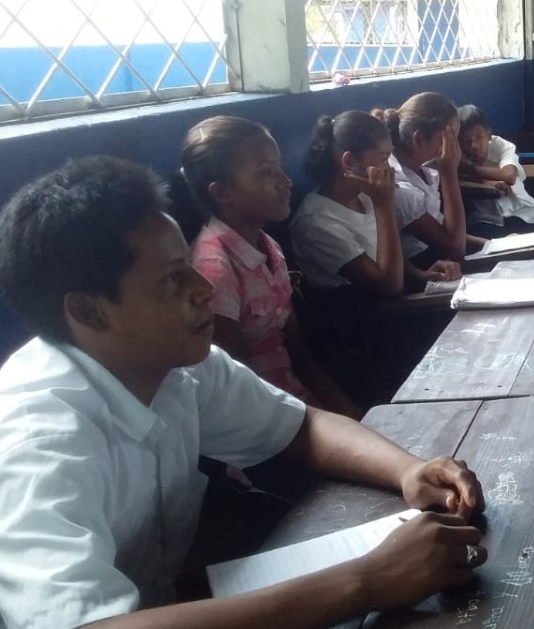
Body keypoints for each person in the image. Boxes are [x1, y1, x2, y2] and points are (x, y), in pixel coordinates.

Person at [0, 155, 485, 629]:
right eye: (173, 281)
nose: (203, 290)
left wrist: (405, 469)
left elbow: (303, 425)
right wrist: (367, 581)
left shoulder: (173, 364)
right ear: (89, 311)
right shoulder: (36, 441)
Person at [181, 115, 360, 418]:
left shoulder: (266, 246)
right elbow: (233, 387)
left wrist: (352, 417)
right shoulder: (214, 270)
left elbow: (299, 355)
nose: (286, 182)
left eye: (280, 168)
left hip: (299, 406)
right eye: (267, 173)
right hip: (266, 428)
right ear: (222, 193)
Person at [290, 111, 459, 403]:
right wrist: (384, 206)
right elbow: (387, 285)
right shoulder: (316, 221)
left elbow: (383, 256)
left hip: (395, 311)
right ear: (349, 162)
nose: (389, 169)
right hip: (368, 332)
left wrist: (421, 274)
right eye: (382, 160)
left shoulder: (365, 198)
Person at [372, 93, 486, 275]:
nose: (454, 148)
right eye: (448, 139)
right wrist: (449, 173)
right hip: (421, 269)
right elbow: (455, 248)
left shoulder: (425, 170)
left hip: (439, 260)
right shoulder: (397, 186)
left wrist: (494, 245)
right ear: (418, 140)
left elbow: (445, 230)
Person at [457, 103, 534, 238]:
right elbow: (451, 176)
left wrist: (466, 169)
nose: (474, 145)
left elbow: (509, 176)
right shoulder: (457, 153)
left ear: (488, 134)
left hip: (525, 213)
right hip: (487, 221)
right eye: (467, 141)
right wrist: (485, 181)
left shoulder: (500, 145)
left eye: (479, 137)